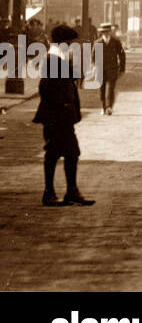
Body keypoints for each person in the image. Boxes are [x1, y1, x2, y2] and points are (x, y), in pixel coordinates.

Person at [33, 24, 94, 207]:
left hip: (62, 117)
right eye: (70, 43)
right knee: (54, 153)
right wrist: (63, 106)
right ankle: (50, 193)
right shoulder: (53, 60)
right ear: (63, 42)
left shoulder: (59, 59)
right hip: (57, 117)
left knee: (71, 153)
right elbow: (46, 88)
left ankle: (70, 191)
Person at [96, 23, 127, 116]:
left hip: (112, 69)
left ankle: (109, 107)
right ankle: (103, 107)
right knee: (102, 89)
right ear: (101, 33)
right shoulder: (98, 42)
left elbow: (122, 55)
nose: (105, 34)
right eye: (103, 32)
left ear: (110, 32)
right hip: (100, 69)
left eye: (106, 32)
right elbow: (93, 57)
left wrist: (122, 69)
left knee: (111, 88)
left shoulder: (116, 42)